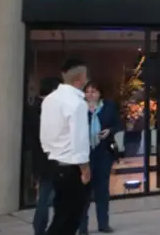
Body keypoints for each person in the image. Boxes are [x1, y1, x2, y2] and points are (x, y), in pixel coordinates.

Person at [40, 59, 92, 235]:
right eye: (85, 76)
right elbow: (79, 139)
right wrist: (85, 168)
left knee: (61, 213)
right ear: (80, 77)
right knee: (70, 218)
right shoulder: (77, 103)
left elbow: (45, 134)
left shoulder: (50, 99)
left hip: (54, 161)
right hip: (71, 166)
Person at [80, 82, 121, 235]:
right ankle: (82, 227)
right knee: (84, 191)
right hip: (85, 153)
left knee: (102, 190)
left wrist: (109, 131)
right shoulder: (79, 108)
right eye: (88, 91)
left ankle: (103, 223)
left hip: (103, 152)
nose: (90, 94)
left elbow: (118, 124)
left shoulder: (108, 107)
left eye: (94, 91)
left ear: (100, 93)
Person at [29, 77, 61, 235]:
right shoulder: (48, 110)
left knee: (45, 194)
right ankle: (41, 227)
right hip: (51, 159)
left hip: (40, 159)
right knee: (47, 196)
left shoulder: (34, 108)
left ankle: (40, 227)